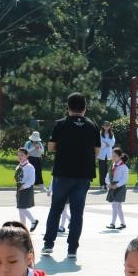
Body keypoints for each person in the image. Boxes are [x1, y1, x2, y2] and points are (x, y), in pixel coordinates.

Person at [42, 92, 100, 260]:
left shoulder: (61, 124)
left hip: (63, 172)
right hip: (83, 174)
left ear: (68, 107)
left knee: (56, 209)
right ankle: (72, 249)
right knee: (77, 213)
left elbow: (51, 147)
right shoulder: (92, 125)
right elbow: (97, 150)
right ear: (85, 108)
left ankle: (49, 244)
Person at [15, 147, 38, 231]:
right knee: (20, 208)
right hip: (19, 188)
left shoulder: (30, 167)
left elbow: (32, 181)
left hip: (26, 189)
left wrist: (23, 186)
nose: (20, 157)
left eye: (22, 155)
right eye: (18, 155)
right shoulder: (18, 166)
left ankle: (33, 221)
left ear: (26, 156)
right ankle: (23, 227)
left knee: (21, 208)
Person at [105, 148, 129, 230]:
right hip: (112, 186)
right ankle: (123, 223)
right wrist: (108, 183)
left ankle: (112, 224)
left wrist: (117, 185)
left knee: (115, 205)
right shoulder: (112, 166)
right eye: (112, 156)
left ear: (120, 156)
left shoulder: (124, 167)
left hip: (120, 188)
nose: (113, 158)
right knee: (118, 206)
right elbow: (107, 176)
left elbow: (124, 179)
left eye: (115, 156)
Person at [97, 121, 115, 191]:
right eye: (105, 125)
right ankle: (102, 185)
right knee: (102, 170)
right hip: (101, 155)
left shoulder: (111, 134)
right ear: (103, 126)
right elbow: (100, 142)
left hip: (109, 155)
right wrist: (106, 144)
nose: (107, 127)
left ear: (110, 126)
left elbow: (113, 143)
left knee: (109, 171)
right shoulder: (100, 134)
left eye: (108, 125)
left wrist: (107, 143)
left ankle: (107, 184)